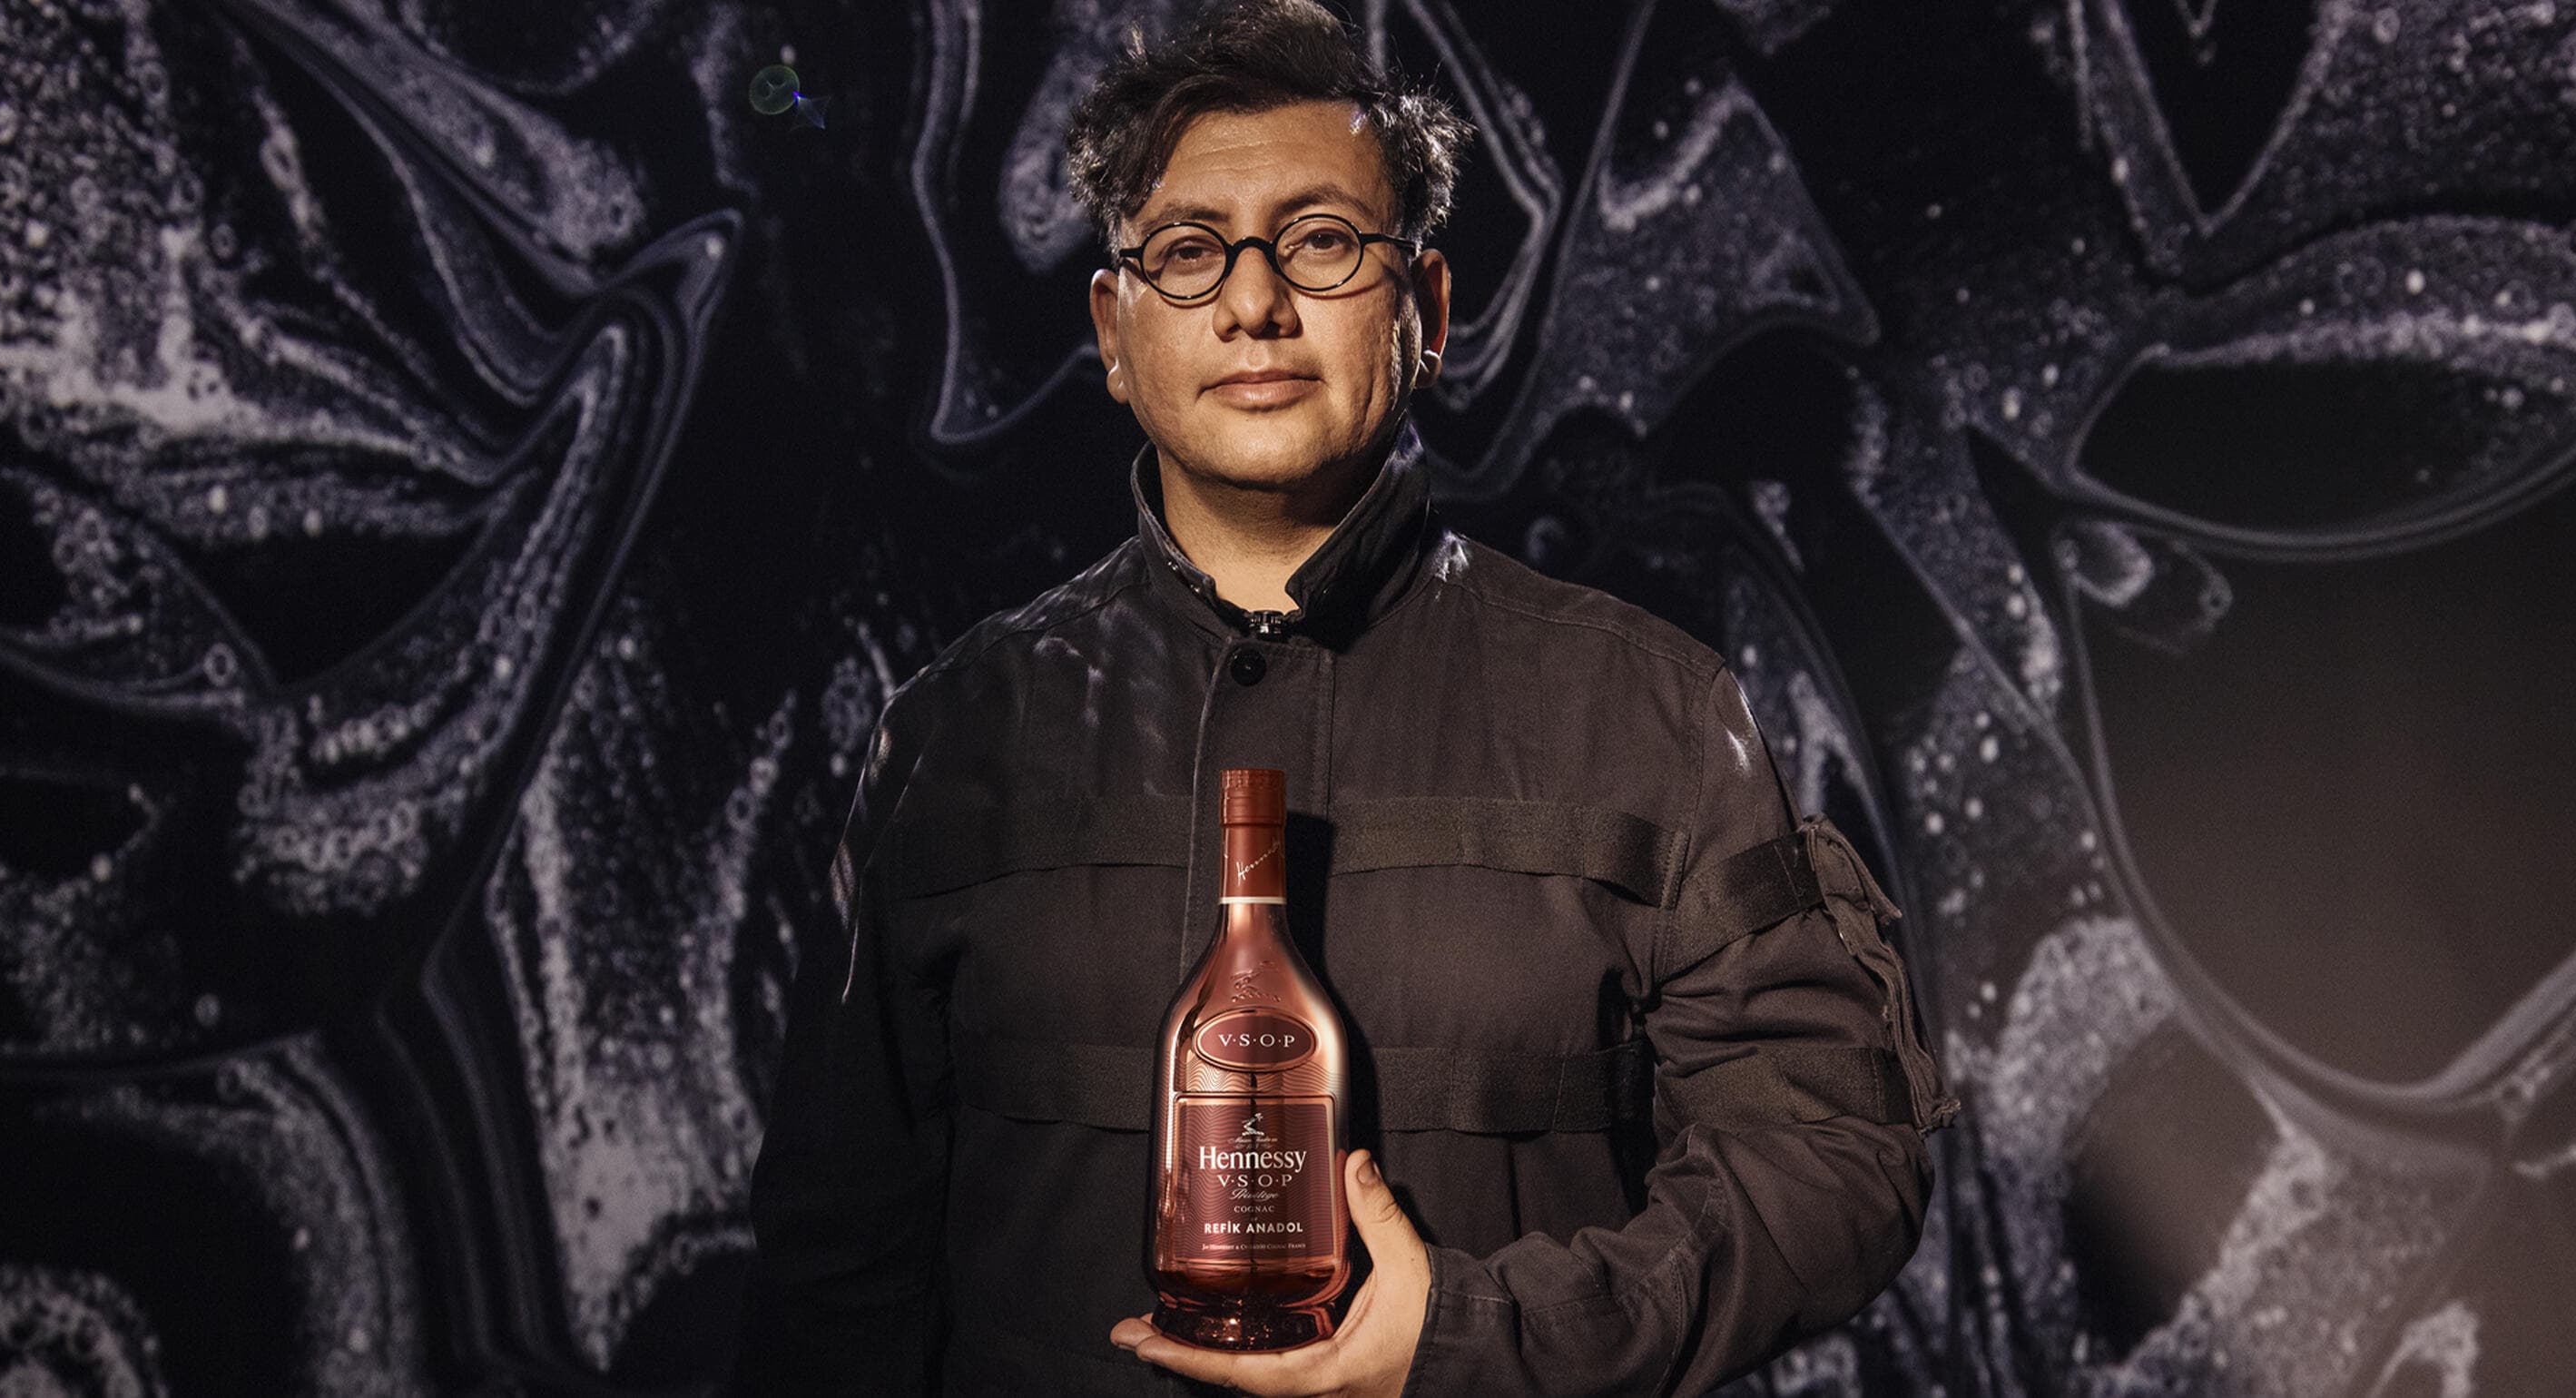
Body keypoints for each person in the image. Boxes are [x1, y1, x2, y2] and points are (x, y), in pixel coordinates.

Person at [734, 2, 1958, 1393]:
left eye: (1319, 240)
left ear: (1425, 310)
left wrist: (1480, 1340)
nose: (1253, 303)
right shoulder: (952, 738)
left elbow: (1832, 1159)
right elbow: (836, 1270)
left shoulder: (1652, 718)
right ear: (1115, 333)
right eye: (1188, 251)